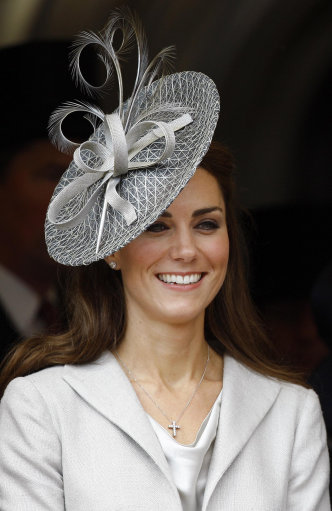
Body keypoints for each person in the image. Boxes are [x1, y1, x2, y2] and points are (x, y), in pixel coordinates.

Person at [0, 10, 330, 510]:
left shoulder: (291, 410)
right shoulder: (42, 406)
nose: (186, 249)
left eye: (206, 223)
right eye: (155, 225)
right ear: (112, 248)